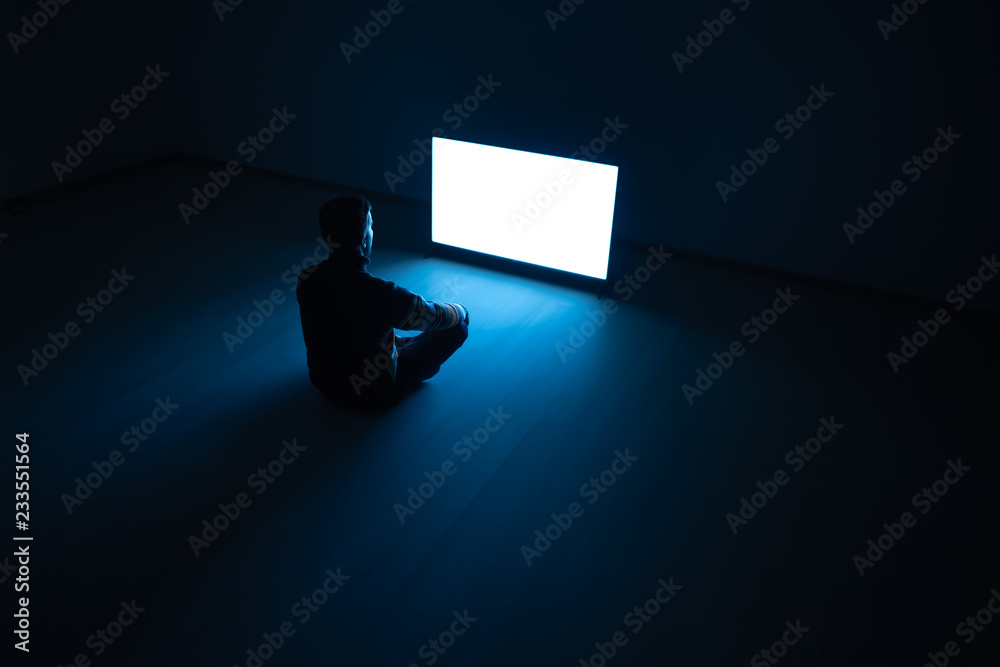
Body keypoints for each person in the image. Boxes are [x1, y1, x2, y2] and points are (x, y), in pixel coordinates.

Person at [295, 195, 469, 409]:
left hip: (324, 383)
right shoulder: (382, 293)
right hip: (375, 395)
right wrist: (462, 310)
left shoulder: (307, 278)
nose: (372, 232)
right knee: (458, 328)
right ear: (363, 240)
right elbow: (433, 317)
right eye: (371, 226)